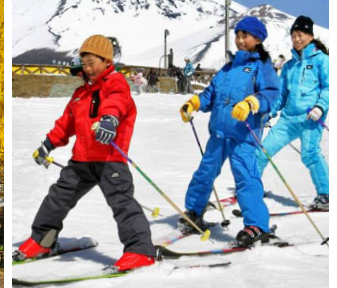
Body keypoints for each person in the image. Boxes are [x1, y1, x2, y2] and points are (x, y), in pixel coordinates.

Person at [16, 35, 156, 271]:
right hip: (81, 160)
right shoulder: (80, 94)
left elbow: (117, 102)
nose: (88, 68)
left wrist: (109, 120)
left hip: (110, 161)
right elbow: (65, 124)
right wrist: (47, 145)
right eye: (85, 62)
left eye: (92, 62)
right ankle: (43, 241)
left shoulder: (115, 83)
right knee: (57, 198)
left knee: (122, 204)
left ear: (106, 60)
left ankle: (139, 250)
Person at [178, 16, 282, 247]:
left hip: (244, 134)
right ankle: (193, 211)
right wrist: (194, 103)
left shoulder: (261, 66)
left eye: (245, 35)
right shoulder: (228, 67)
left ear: (258, 39)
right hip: (219, 132)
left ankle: (257, 225)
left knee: (245, 177)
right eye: (238, 34)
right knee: (205, 172)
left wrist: (252, 103)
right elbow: (211, 94)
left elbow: (271, 94)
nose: (240, 39)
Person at [256, 16, 329, 210]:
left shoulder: (322, 60)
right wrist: (268, 112)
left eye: (301, 34)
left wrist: (320, 107)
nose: (297, 39)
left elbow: (329, 88)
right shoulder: (289, 66)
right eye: (294, 35)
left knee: (310, 154)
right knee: (263, 151)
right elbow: (281, 95)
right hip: (288, 119)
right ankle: (252, 188)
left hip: (310, 118)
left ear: (311, 36)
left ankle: (326, 195)